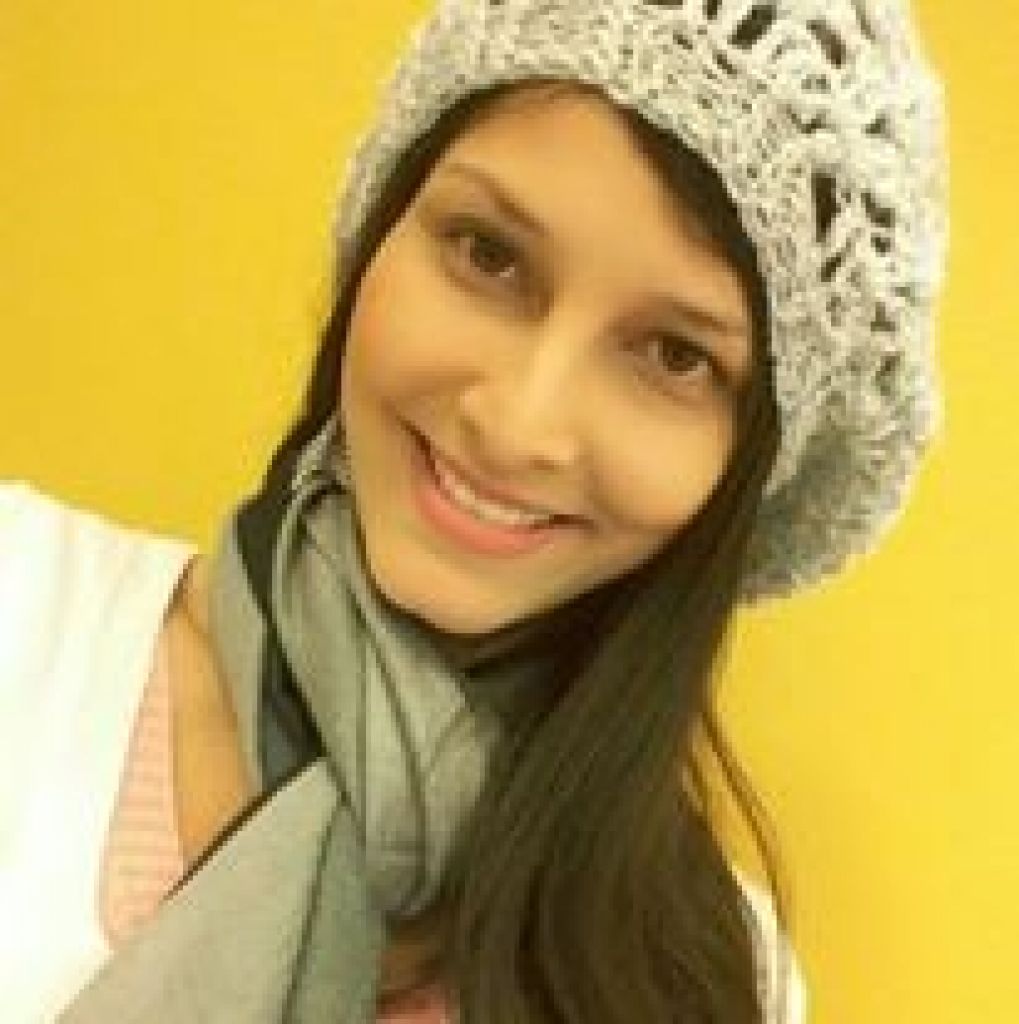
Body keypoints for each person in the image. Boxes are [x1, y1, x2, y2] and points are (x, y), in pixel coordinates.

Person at [0, 1, 949, 1021]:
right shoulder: (22, 599)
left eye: (673, 355)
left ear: (746, 465)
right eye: (487, 254)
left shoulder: (714, 981)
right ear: (382, 227)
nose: (517, 424)